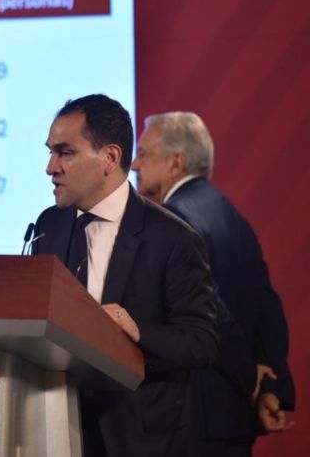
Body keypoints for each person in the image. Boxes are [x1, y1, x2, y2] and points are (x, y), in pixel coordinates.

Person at [32, 94, 218, 457]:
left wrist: (137, 333)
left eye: (65, 152)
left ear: (110, 158)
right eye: (50, 152)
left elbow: (203, 341)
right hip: (57, 431)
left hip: (140, 438)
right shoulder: (47, 225)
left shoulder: (173, 238)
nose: (50, 167)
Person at [131, 111, 295, 456]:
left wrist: (251, 378)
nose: (133, 164)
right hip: (234, 416)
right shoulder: (232, 215)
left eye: (144, 154)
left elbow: (211, 311)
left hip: (197, 418)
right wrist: (271, 384)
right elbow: (268, 305)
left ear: (176, 163)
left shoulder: (175, 219)